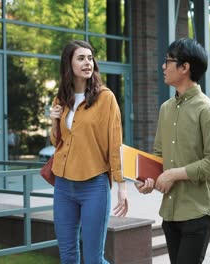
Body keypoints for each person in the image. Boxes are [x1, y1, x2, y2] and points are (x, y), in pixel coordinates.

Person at [136, 38, 210, 264]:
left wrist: (174, 174)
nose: (163, 67)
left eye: (168, 61)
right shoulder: (165, 109)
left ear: (184, 67)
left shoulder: (207, 110)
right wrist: (148, 180)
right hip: (171, 210)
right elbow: (159, 156)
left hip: (198, 211)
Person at [49, 40, 128, 264]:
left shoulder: (105, 98)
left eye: (90, 58)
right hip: (63, 186)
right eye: (81, 58)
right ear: (69, 63)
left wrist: (122, 186)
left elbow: (115, 144)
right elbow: (58, 143)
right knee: (68, 257)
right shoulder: (61, 99)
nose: (87, 63)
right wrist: (54, 123)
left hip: (94, 185)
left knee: (94, 259)